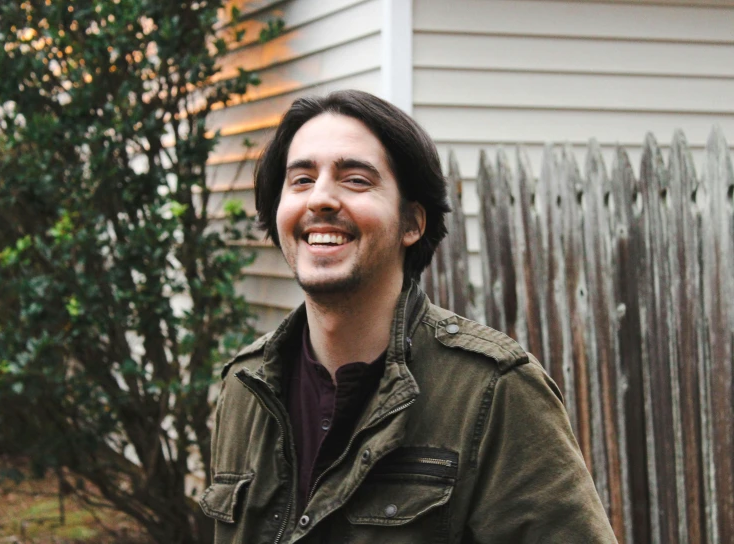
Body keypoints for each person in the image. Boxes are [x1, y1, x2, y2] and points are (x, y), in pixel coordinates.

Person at [202, 90, 617, 543]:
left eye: (356, 180)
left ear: (412, 223)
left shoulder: (493, 391)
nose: (319, 198)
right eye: (301, 180)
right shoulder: (243, 387)